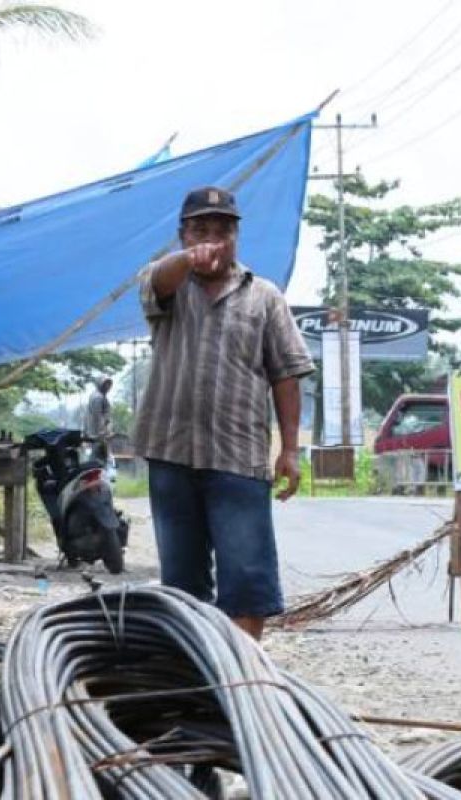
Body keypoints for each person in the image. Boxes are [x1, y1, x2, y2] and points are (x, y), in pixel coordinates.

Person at [134, 186, 314, 640]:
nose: (212, 240)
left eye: (222, 231)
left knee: (248, 582)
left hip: (239, 458)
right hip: (171, 453)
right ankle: (195, 679)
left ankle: (243, 682)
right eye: (200, 231)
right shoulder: (167, 285)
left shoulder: (265, 296)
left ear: (237, 236)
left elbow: (286, 374)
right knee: (183, 584)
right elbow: (156, 280)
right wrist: (189, 260)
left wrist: (289, 450)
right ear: (181, 236)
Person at [84, 377, 113, 460]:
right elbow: (98, 416)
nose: (108, 387)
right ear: (101, 384)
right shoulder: (98, 398)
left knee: (98, 456)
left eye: (109, 384)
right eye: (106, 384)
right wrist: (104, 432)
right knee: (98, 458)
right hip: (98, 435)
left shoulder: (97, 396)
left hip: (96, 434)